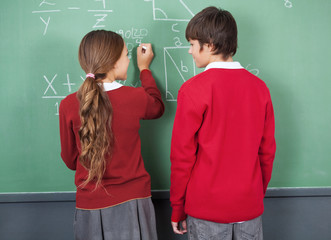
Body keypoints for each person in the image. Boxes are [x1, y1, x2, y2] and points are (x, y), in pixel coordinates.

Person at [170, 7, 276, 239]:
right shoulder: (260, 88)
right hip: (249, 207)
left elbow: (182, 156)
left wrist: (177, 207)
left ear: (208, 45)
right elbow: (266, 152)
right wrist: (255, 195)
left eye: (191, 43)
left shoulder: (193, 90)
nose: (189, 51)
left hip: (206, 209)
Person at [59, 30, 164, 240]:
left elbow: (71, 160)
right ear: (114, 62)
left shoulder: (69, 104)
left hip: (90, 205)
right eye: (126, 55)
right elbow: (157, 107)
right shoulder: (135, 97)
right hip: (133, 202)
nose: (128, 60)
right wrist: (144, 69)